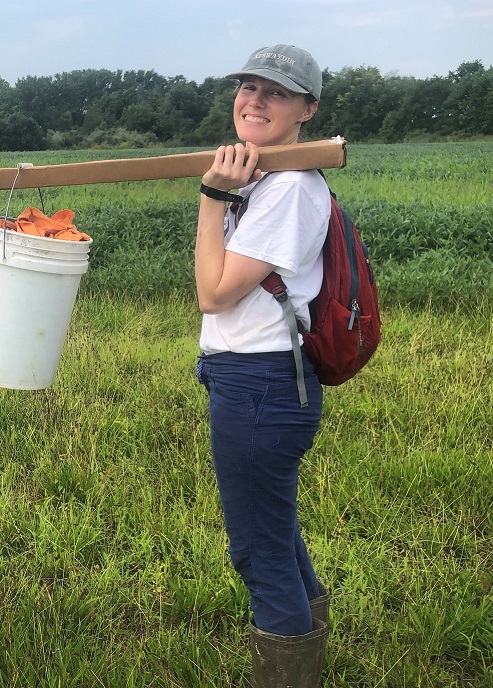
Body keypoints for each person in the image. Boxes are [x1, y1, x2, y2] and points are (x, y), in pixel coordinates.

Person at [196, 44, 331, 688]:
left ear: (307, 109)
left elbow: (214, 292)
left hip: (261, 384)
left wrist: (210, 196)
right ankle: (307, 656)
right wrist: (233, 190)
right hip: (259, 380)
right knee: (276, 532)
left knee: (259, 549)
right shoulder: (271, 181)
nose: (254, 99)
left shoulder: (294, 189)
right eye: (248, 86)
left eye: (275, 92)